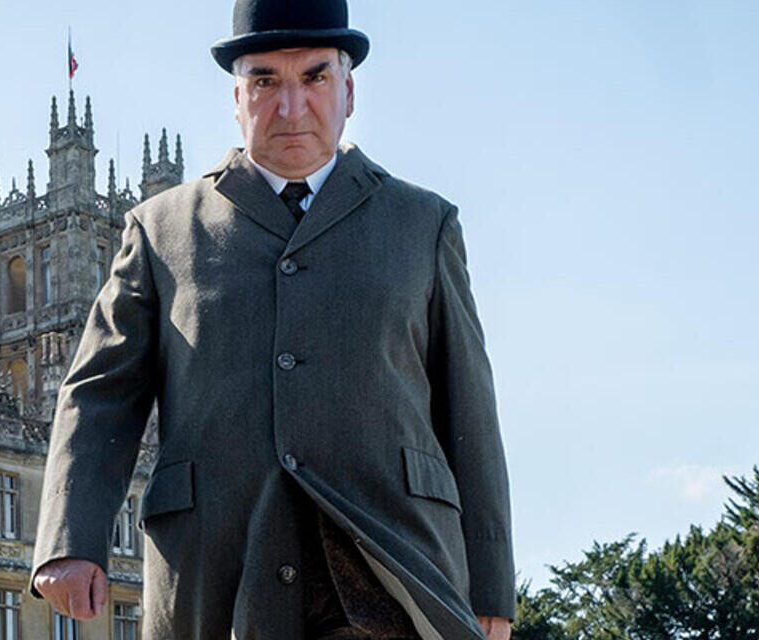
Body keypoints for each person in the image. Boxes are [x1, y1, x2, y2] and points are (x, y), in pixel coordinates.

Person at [28, 0, 515, 638]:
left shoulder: (423, 224)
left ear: (349, 89)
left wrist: (490, 588)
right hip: (219, 569)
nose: (290, 107)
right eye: (264, 81)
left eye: (314, 77)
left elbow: (469, 413)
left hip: (395, 569)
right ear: (236, 96)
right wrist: (69, 537)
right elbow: (99, 394)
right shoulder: (160, 229)